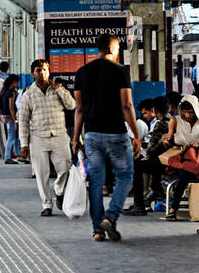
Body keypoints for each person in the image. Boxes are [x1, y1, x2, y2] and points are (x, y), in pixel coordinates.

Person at [72, 34, 141, 242]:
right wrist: (136, 135)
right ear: (112, 49)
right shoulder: (120, 71)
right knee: (125, 175)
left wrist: (76, 138)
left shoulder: (82, 72)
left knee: (95, 181)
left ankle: (97, 230)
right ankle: (110, 218)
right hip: (116, 134)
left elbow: (79, 109)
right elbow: (127, 105)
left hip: (92, 135)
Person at [18, 59, 75, 216]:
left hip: (59, 136)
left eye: (44, 70)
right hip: (38, 138)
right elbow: (23, 120)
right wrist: (24, 145)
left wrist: (60, 90)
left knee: (65, 169)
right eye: (38, 70)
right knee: (41, 173)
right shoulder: (28, 94)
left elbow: (72, 105)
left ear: (49, 71)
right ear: (33, 74)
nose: (42, 73)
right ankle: (46, 204)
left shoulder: (58, 89)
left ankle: (59, 190)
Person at [162, 95, 199, 221]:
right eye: (185, 112)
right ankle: (174, 208)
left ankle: (173, 209)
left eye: (190, 112)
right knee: (185, 172)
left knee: (187, 173)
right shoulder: (175, 120)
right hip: (181, 156)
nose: (188, 116)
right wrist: (166, 141)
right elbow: (170, 141)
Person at [0, 74, 20, 162]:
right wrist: (15, 120)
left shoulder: (4, 90)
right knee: (11, 136)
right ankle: (7, 156)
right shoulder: (11, 92)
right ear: (14, 82)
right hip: (10, 116)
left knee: (14, 136)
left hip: (5, 115)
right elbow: (11, 107)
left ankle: (18, 153)